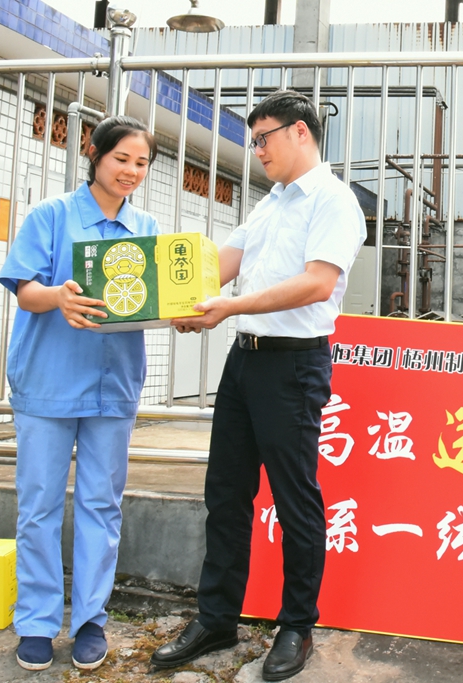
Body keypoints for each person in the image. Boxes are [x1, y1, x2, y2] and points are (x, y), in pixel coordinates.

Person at [150, 90, 366, 681]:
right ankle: (216, 617)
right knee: (226, 492)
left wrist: (229, 306)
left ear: (300, 131)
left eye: (263, 138)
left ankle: (296, 625)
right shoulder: (270, 203)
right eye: (254, 142)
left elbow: (317, 283)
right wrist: (178, 299)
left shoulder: (333, 201)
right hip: (244, 361)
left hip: (293, 366)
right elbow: (222, 263)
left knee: (294, 498)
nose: (259, 151)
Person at [0, 116, 159, 672]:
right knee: (38, 505)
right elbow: (25, 291)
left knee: (101, 504)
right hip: (49, 380)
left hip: (113, 385)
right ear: (95, 155)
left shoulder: (146, 228)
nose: (131, 171)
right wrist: (58, 297)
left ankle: (91, 619)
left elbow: (151, 300)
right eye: (121, 159)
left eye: (141, 163)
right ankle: (37, 622)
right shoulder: (51, 216)